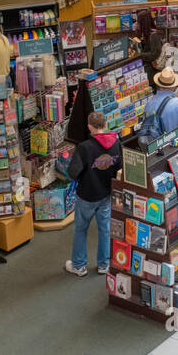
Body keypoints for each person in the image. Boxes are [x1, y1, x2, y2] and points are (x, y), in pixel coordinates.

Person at [64, 111, 121, 276]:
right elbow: (120, 167)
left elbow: (73, 173)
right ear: (105, 125)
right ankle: (104, 264)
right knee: (105, 229)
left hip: (87, 195)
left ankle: (79, 266)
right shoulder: (117, 143)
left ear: (89, 127)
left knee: (81, 229)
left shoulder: (84, 147)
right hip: (106, 193)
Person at [136, 9, 163, 88]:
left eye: (139, 22)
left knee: (152, 89)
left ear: (143, 23)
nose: (137, 24)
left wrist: (140, 55)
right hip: (146, 69)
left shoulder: (153, 35)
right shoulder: (144, 33)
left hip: (152, 71)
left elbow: (155, 53)